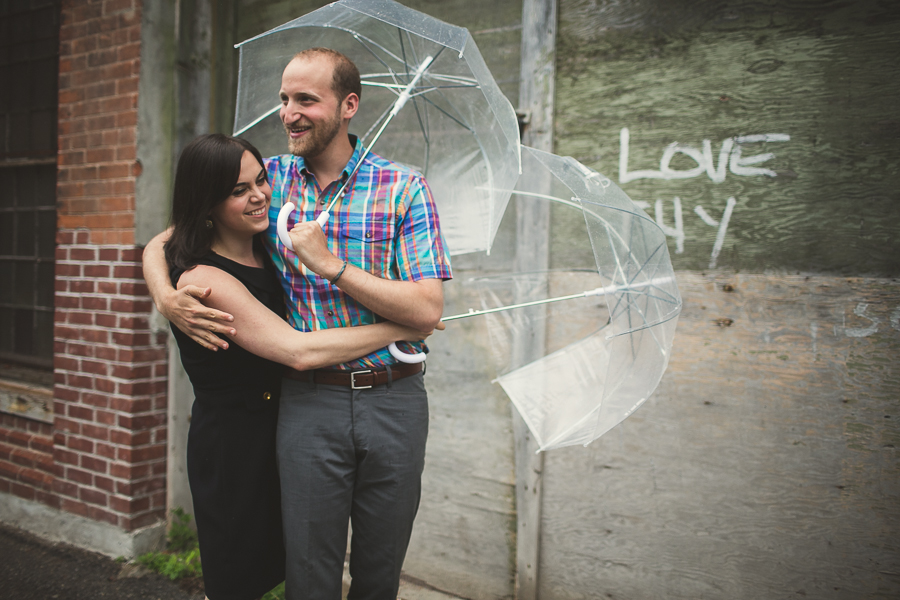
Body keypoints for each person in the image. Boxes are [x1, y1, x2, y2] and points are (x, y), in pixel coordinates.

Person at [143, 48, 452, 599]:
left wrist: (330, 264)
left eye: (306, 99)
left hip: (396, 400)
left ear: (348, 105)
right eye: (284, 99)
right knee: (309, 572)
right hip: (308, 400)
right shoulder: (269, 179)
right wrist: (165, 296)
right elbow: (170, 237)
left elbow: (427, 310)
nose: (289, 113)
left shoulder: (405, 189)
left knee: (381, 570)